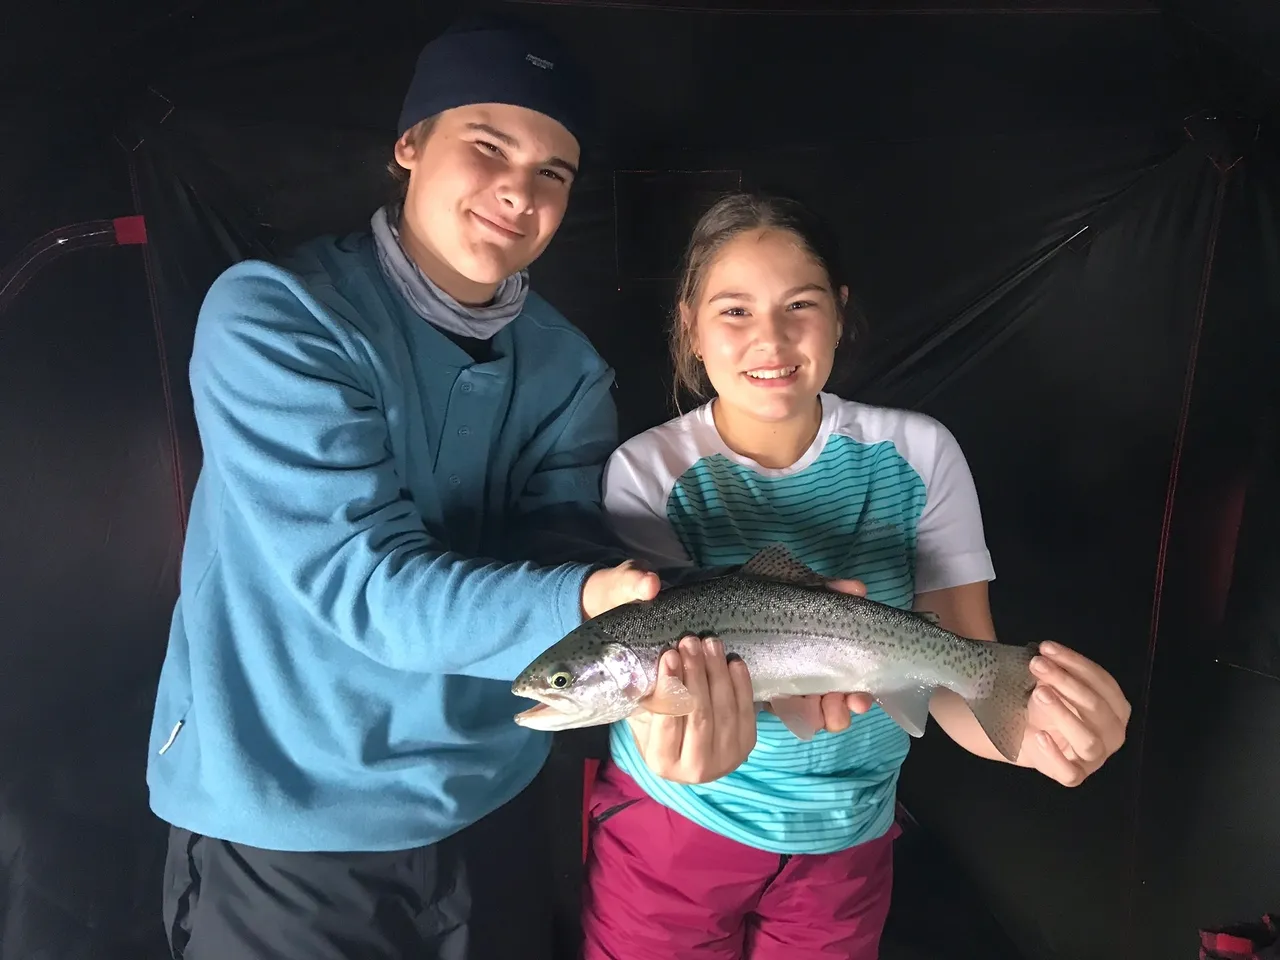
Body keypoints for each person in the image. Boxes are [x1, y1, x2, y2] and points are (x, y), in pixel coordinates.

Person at [143, 18, 792, 960]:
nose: (518, 193)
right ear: (410, 146)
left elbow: (570, 556)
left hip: (494, 814)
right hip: (286, 825)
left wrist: (683, 677)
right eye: (487, 146)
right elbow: (363, 585)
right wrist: (595, 607)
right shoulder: (275, 316)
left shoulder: (568, 370)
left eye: (554, 173)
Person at [580, 190, 1133, 960]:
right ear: (690, 327)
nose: (769, 338)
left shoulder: (921, 454)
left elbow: (960, 674)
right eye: (734, 311)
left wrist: (1029, 738)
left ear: (839, 313)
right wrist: (667, 733)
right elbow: (646, 657)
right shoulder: (649, 470)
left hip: (848, 840)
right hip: (675, 830)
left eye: (798, 305)